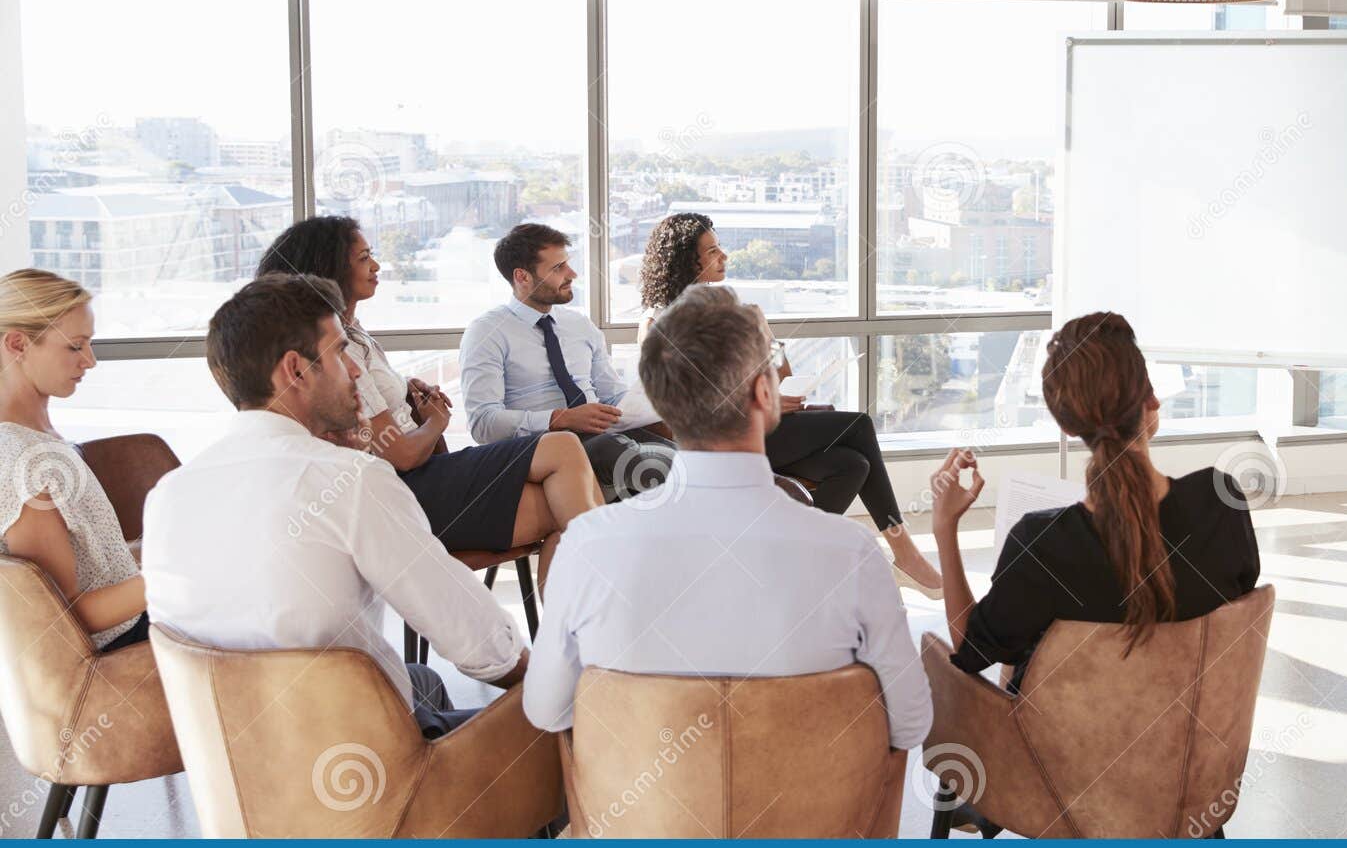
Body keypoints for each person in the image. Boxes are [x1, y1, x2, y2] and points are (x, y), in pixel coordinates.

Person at [522, 284, 932, 752]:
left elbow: (547, 710)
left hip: (647, 819)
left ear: (658, 398)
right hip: (809, 818)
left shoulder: (586, 546)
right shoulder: (852, 554)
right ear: (765, 392)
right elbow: (910, 725)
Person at [143, 274, 528, 738]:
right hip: (364, 766)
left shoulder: (167, 494)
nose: (357, 370)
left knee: (421, 680)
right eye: (341, 352)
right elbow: (485, 650)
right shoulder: (351, 480)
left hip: (238, 767)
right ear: (295, 370)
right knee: (565, 726)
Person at [927, 312, 1260, 694]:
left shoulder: (1041, 545)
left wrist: (944, 528)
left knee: (1014, 650)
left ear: (1066, 426)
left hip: (1061, 752)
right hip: (1190, 746)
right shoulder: (1220, 502)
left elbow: (971, 651)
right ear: (1151, 400)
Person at [257, 218, 601, 586]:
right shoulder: (342, 351)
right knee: (566, 459)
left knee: (570, 512)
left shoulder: (354, 336)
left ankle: (576, 636)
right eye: (364, 258)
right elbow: (400, 454)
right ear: (331, 268)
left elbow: (375, 410)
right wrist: (434, 421)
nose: (376, 266)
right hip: (408, 489)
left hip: (424, 478)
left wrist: (405, 387)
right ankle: (594, 629)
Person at [637, 211, 943, 597]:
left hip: (760, 427)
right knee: (859, 425)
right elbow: (680, 406)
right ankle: (905, 553)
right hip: (719, 442)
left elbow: (780, 378)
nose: (724, 256)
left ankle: (792, 563)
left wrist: (765, 337)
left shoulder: (728, 312)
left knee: (851, 464)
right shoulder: (658, 323)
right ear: (685, 261)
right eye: (712, 251)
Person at [461, 223, 673, 500]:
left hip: (602, 435)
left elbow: (612, 394)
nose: (572, 274)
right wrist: (561, 418)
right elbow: (483, 423)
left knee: (693, 460)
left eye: (567, 264)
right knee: (643, 463)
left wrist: (654, 403)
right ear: (522, 276)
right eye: (557, 268)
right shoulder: (487, 332)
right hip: (542, 446)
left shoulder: (579, 325)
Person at [0, 270, 147, 651]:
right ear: (18, 344)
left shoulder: (40, 440)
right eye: (75, 346)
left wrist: (163, 548)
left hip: (136, 628)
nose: (91, 361)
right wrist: (178, 576)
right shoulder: (23, 459)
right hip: (122, 652)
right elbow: (64, 617)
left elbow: (98, 565)